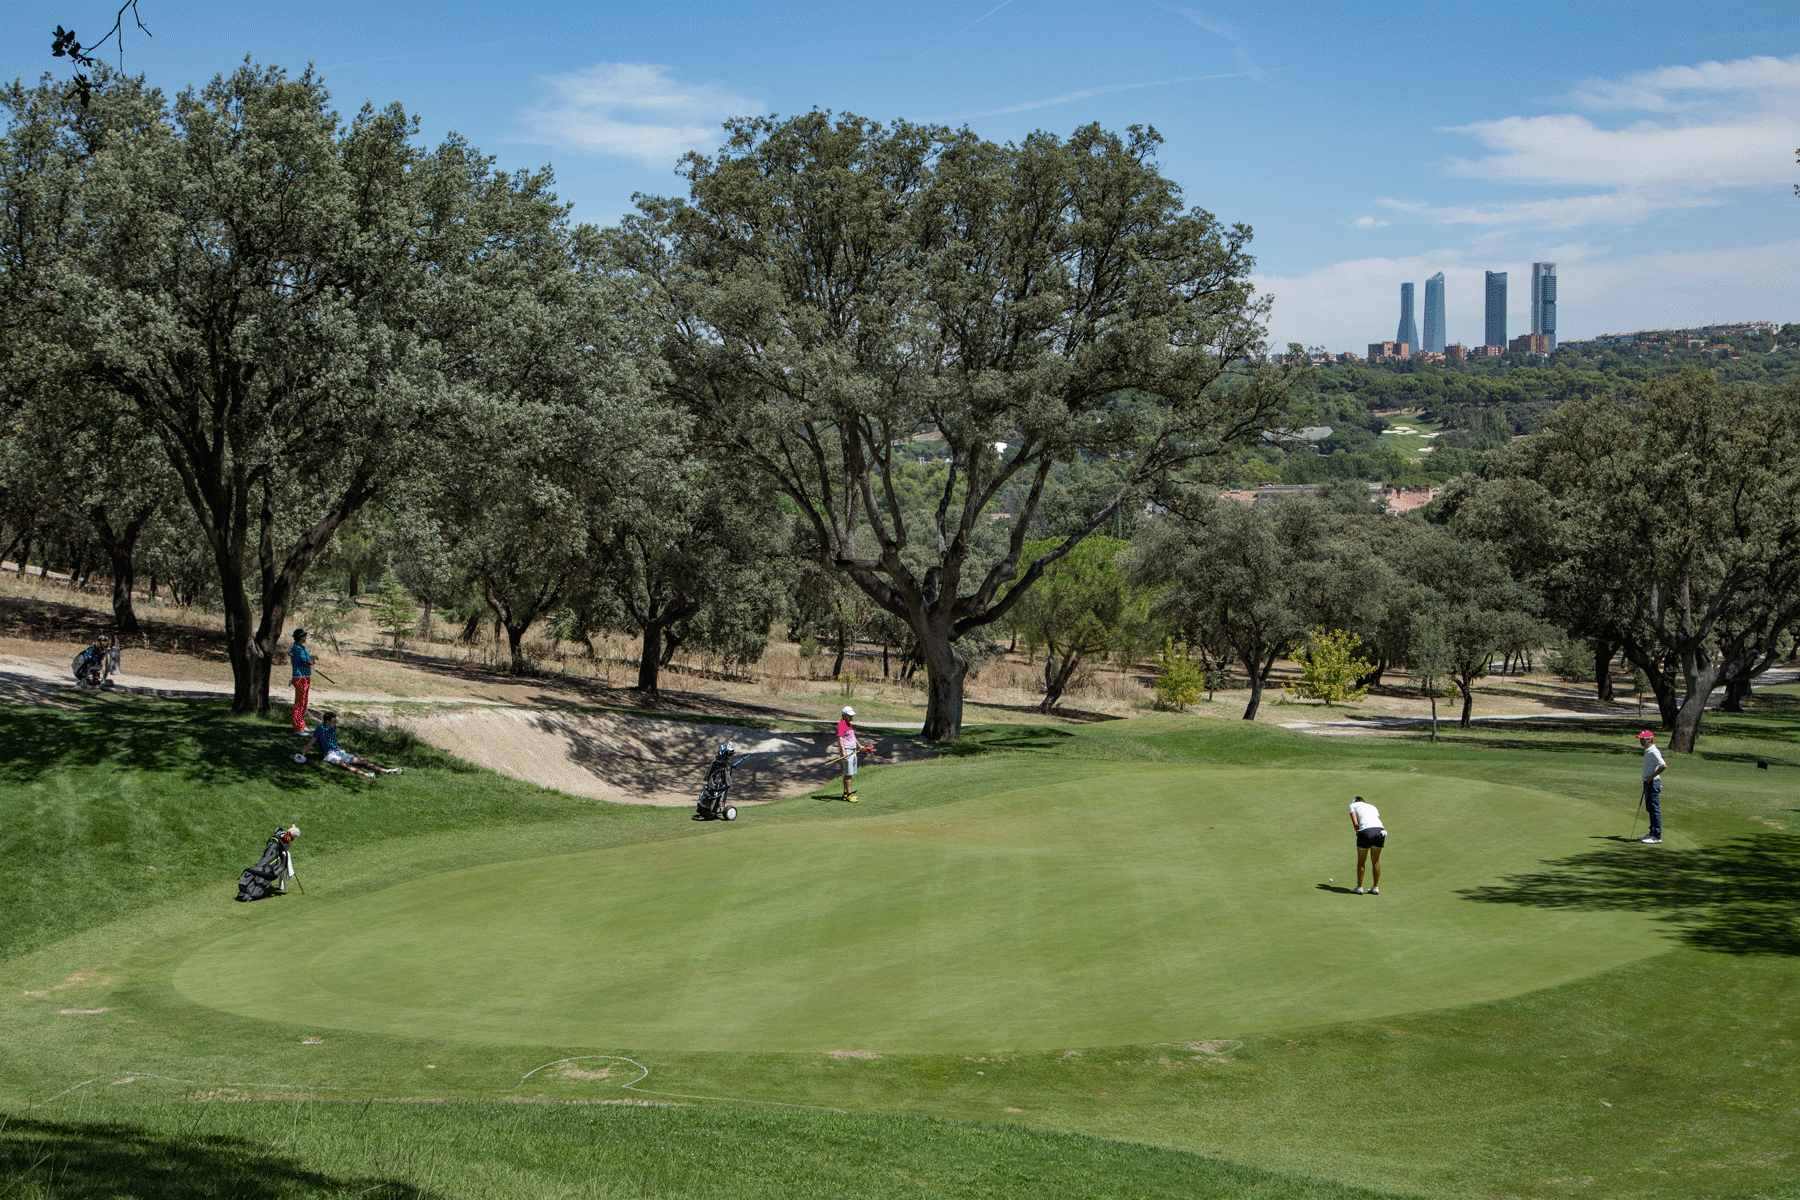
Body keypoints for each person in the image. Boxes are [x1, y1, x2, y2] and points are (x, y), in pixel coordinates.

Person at [303, 711, 401, 779]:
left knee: (364, 761)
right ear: (327, 721)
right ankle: (365, 774)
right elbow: (310, 743)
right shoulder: (319, 730)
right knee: (343, 764)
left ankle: (386, 770)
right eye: (333, 721)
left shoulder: (334, 728)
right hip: (329, 755)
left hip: (339, 751)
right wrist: (303, 755)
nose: (335, 722)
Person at [1348, 795, 1385, 894]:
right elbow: (1376, 819)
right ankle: (1375, 888)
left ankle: (1359, 887)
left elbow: (1355, 822)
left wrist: (1358, 833)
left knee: (1361, 860)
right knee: (1376, 860)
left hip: (1365, 832)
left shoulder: (1353, 805)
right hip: (1380, 831)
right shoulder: (1372, 806)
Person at [1636, 729, 1666, 844]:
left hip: (1653, 784)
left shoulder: (1654, 751)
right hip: (1648, 783)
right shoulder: (1648, 751)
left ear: (1649, 739)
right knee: (1650, 808)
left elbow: (1663, 765)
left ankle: (1657, 836)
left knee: (1654, 809)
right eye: (1640, 739)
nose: (1641, 742)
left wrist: (1651, 777)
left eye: (1643, 739)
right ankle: (1652, 833)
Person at [836, 705, 870, 802]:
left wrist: (861, 747)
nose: (852, 717)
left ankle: (845, 794)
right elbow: (840, 739)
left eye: (852, 715)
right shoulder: (840, 725)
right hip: (847, 751)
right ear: (844, 715)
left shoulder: (848, 725)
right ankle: (849, 795)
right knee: (849, 774)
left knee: (848, 774)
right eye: (850, 715)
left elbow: (853, 738)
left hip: (853, 750)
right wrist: (843, 751)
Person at [289, 628, 314, 734]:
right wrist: (312, 660)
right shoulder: (297, 648)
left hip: (305, 677)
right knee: (299, 703)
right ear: (301, 637)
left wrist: (311, 660)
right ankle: (297, 728)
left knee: (303, 702)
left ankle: (302, 725)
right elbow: (309, 661)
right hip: (300, 678)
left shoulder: (302, 648)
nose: (306, 637)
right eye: (304, 636)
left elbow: (310, 660)